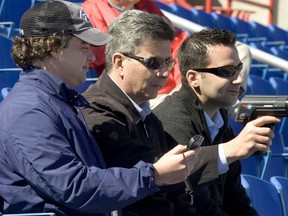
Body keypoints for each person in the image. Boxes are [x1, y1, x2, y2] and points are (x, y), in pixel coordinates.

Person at [0, 1, 198, 215]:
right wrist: (154, 175)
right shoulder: (30, 111)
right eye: (84, 47)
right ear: (54, 48)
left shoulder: (55, 102)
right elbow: (73, 186)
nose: (92, 57)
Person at [82, 10, 205, 216]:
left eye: (168, 62)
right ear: (119, 63)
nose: (165, 72)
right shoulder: (97, 112)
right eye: (154, 63)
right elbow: (152, 183)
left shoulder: (148, 117)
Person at [153, 28, 280, 215]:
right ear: (194, 78)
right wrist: (230, 150)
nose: (238, 80)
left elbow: (236, 200)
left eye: (238, 69)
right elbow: (195, 202)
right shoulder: (172, 121)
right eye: (227, 71)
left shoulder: (220, 121)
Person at [82, 0, 187, 94]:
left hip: (171, 88)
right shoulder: (92, 10)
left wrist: (180, 83)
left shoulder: (146, 5)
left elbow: (175, 43)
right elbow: (94, 55)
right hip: (137, 92)